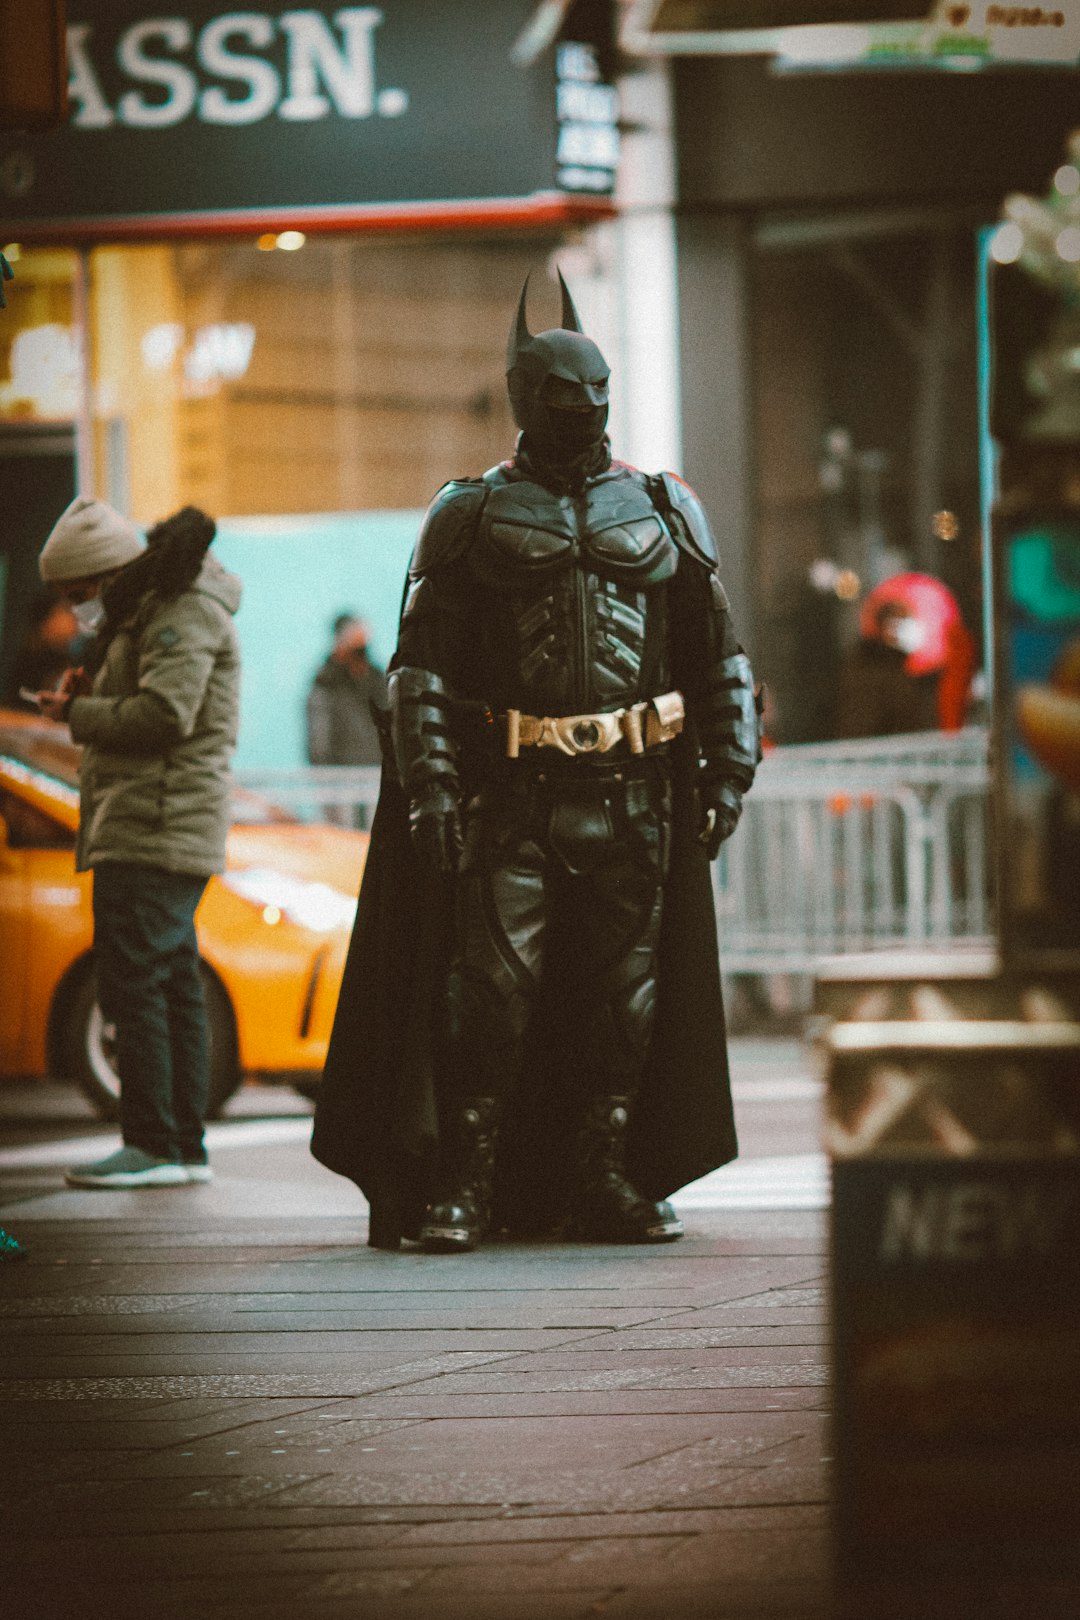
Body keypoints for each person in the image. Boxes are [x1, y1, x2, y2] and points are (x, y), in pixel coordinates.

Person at [312, 273, 760, 1253]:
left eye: (592, 392)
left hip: (635, 794)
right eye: (562, 393)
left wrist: (730, 767)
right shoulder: (469, 513)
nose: (579, 411)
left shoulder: (661, 506)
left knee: (623, 1003)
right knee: (489, 1000)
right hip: (511, 796)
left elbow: (715, 650)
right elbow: (420, 668)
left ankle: (602, 1177)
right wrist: (433, 790)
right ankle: (465, 1183)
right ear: (525, 395)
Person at [33, 496, 242, 1189]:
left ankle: (151, 1141)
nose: (76, 610)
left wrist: (79, 715)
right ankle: (180, 1144)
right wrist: (92, 684)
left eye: (78, 595)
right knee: (171, 981)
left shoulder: (180, 608)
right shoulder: (152, 610)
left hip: (155, 824)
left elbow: (166, 712)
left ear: (107, 574)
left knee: (134, 985)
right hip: (153, 819)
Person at [306, 613, 387, 827]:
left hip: (375, 776)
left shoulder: (377, 680)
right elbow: (318, 739)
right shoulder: (326, 683)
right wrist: (324, 779)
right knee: (343, 842)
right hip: (339, 781)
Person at [837, 600, 940, 739]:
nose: (911, 628)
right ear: (886, 627)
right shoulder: (871, 669)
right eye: (903, 620)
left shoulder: (898, 667)